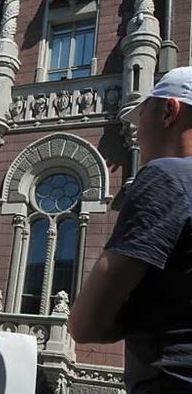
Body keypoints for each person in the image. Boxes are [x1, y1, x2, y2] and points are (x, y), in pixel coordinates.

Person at [69, 66, 192, 393]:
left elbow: (85, 324)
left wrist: (134, 315)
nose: (136, 131)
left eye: (141, 116)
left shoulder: (167, 177)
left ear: (169, 111)